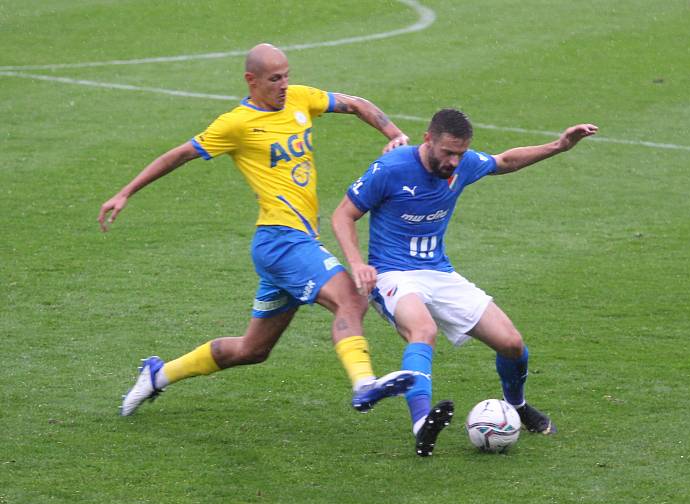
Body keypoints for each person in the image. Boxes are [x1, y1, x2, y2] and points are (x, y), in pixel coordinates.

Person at [99, 43, 415, 417]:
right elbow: (178, 155)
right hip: (282, 240)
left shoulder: (300, 99)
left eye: (287, 76)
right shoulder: (235, 124)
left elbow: (357, 104)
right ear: (251, 80)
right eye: (274, 78)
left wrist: (394, 136)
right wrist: (125, 192)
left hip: (286, 246)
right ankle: (364, 384)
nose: (284, 85)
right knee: (352, 298)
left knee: (252, 350)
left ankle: (158, 374)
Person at [331, 108, 597, 456]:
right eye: (448, 152)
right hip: (392, 273)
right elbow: (343, 214)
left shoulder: (464, 164)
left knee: (512, 344)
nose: (454, 161)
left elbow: (505, 161)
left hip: (439, 272)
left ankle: (516, 406)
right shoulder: (391, 168)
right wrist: (356, 264)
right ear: (428, 139)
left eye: (460, 153)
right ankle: (421, 423)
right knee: (423, 330)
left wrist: (559, 145)